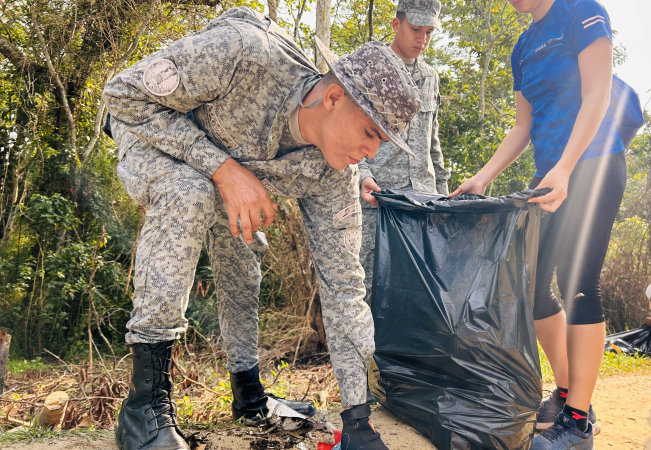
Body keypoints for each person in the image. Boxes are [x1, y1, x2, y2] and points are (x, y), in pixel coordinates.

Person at [102, 7, 421, 450]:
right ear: (332, 99)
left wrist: (358, 420)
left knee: (243, 236)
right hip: (152, 128)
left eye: (380, 143)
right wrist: (223, 169)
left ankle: (247, 392)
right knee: (189, 191)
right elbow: (122, 94)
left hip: (220, 162)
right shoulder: (245, 53)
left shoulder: (334, 174)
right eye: (369, 132)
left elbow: (344, 288)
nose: (369, 152)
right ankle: (144, 405)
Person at [450, 0, 630, 448]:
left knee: (578, 282)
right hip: (550, 174)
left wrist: (567, 167)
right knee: (532, 287)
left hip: (594, 163)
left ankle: (579, 423)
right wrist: (482, 177)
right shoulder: (523, 45)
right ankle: (569, 390)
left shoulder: (581, 12)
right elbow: (522, 127)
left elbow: (598, 95)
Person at [359, 0, 450, 306]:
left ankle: (410, 356)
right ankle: (368, 355)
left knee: (420, 295)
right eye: (415, 29)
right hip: (378, 202)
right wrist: (362, 175)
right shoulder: (369, 69)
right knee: (371, 290)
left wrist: (444, 198)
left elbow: (432, 144)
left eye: (428, 32)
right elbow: (346, 133)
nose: (422, 39)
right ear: (397, 24)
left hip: (422, 204)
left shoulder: (430, 77)